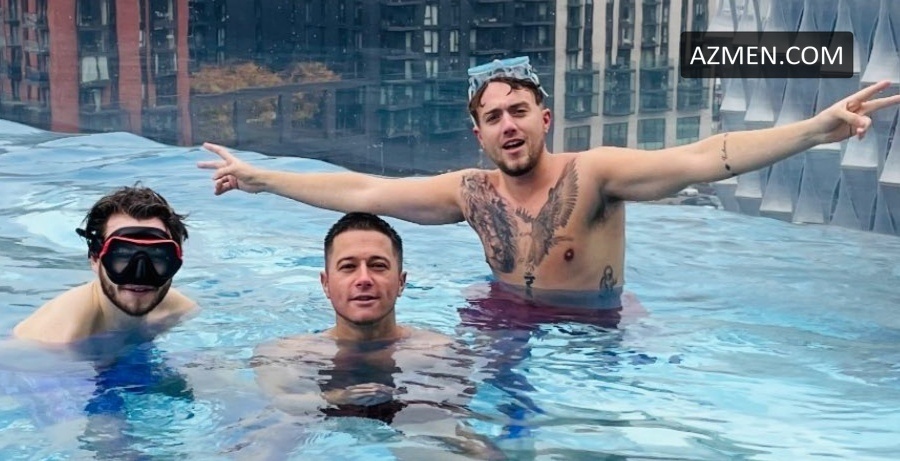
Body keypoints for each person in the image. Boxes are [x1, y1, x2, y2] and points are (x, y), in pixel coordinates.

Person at [198, 56, 900, 308]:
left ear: (544, 119)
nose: (507, 125)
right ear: (478, 133)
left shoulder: (595, 175)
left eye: (518, 112)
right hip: (501, 319)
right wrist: (262, 178)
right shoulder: (471, 194)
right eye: (493, 117)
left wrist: (815, 129)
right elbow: (363, 194)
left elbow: (704, 157)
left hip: (593, 331)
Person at [250, 212, 501, 459]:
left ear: (401, 282)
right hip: (318, 425)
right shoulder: (286, 355)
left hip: (410, 424)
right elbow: (279, 406)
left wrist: (401, 405)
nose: (364, 279)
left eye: (378, 266)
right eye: (348, 267)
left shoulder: (441, 353)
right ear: (325, 283)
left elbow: (453, 413)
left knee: (485, 454)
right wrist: (336, 399)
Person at [13, 185, 196, 344]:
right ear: (95, 258)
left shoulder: (178, 310)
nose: (140, 274)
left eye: (157, 257)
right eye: (122, 256)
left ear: (177, 260)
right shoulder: (56, 340)